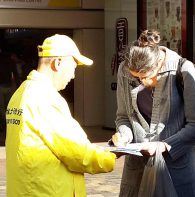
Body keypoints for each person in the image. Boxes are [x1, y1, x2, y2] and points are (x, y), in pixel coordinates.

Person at [5, 34, 116, 197]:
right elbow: (77, 152)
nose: (73, 76)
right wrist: (112, 156)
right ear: (57, 63)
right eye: (73, 67)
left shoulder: (21, 93)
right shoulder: (45, 98)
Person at [111, 29, 195, 197]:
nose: (141, 81)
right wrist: (123, 136)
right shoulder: (124, 71)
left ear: (158, 65)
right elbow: (123, 117)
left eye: (145, 76)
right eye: (136, 77)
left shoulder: (182, 69)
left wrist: (162, 146)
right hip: (138, 171)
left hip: (175, 171)